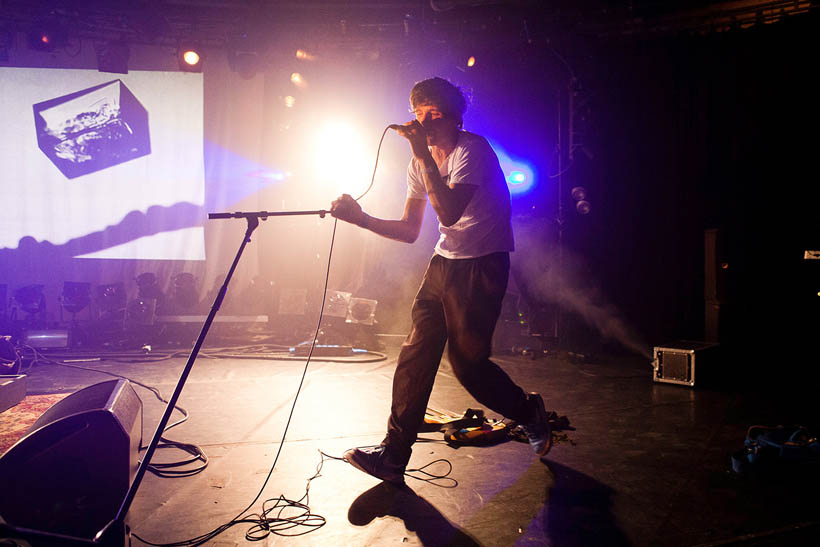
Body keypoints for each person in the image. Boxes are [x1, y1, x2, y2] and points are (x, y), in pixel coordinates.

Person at [330, 77, 551, 484]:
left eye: (433, 115)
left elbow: (447, 213)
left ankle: (527, 411)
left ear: (455, 118)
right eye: (418, 115)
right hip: (443, 263)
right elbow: (411, 230)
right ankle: (393, 456)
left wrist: (424, 158)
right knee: (415, 354)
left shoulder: (474, 151)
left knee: (468, 366)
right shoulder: (419, 162)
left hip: (482, 265)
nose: (424, 124)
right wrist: (360, 218)